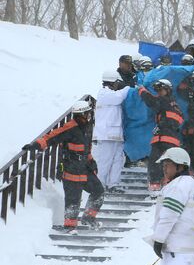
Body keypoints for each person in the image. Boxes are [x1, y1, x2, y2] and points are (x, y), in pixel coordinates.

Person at [22, 100, 104, 234]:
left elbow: (86, 148)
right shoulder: (70, 127)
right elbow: (52, 136)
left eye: (90, 112)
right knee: (73, 199)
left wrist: (91, 160)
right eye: (87, 113)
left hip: (85, 167)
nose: (90, 115)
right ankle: (70, 227)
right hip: (71, 168)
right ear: (81, 114)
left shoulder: (88, 126)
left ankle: (89, 218)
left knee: (99, 191)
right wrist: (36, 145)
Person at [151, 147, 194, 265]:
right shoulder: (191, 184)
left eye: (168, 165)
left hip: (176, 248)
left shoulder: (177, 186)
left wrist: (158, 240)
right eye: (163, 165)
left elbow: (169, 216)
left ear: (180, 166)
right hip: (188, 246)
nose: (164, 169)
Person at [138, 79, 184, 192]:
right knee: (168, 161)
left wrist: (141, 90)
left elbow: (151, 101)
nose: (158, 93)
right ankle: (167, 181)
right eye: (157, 90)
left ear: (168, 90)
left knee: (156, 160)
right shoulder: (175, 104)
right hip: (171, 138)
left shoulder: (164, 101)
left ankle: (155, 183)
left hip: (164, 137)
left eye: (160, 90)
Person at [93, 70, 130, 193]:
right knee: (105, 161)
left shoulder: (111, 94)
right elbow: (119, 97)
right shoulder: (104, 94)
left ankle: (113, 184)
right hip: (106, 134)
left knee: (118, 160)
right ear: (112, 82)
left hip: (116, 134)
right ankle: (100, 185)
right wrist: (128, 88)